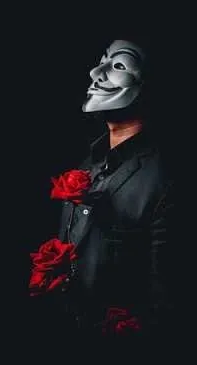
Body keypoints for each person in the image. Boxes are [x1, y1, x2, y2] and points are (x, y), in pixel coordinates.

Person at [29, 38, 176, 338]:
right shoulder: (88, 163)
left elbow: (165, 295)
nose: (96, 72)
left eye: (119, 65)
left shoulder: (164, 180)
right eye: (102, 61)